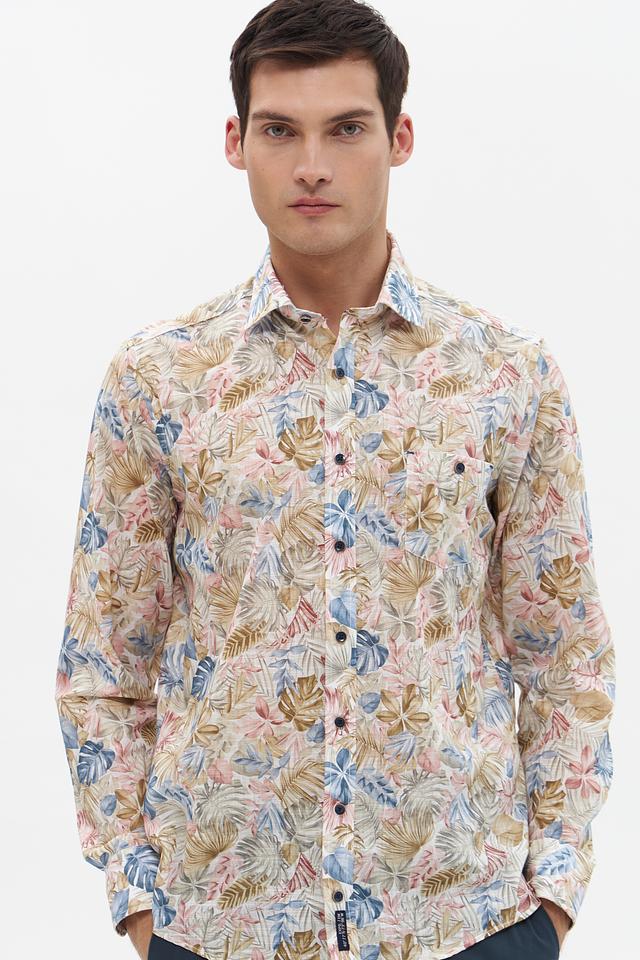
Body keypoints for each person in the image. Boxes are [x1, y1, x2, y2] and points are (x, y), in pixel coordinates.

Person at [53, 1, 616, 958]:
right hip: (217, 929)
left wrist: (552, 898)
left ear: (399, 138)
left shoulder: (505, 374)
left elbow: (564, 657)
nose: (311, 165)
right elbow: (105, 666)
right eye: (280, 130)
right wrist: (141, 904)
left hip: (468, 926)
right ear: (237, 143)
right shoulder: (159, 379)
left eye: (346, 129)